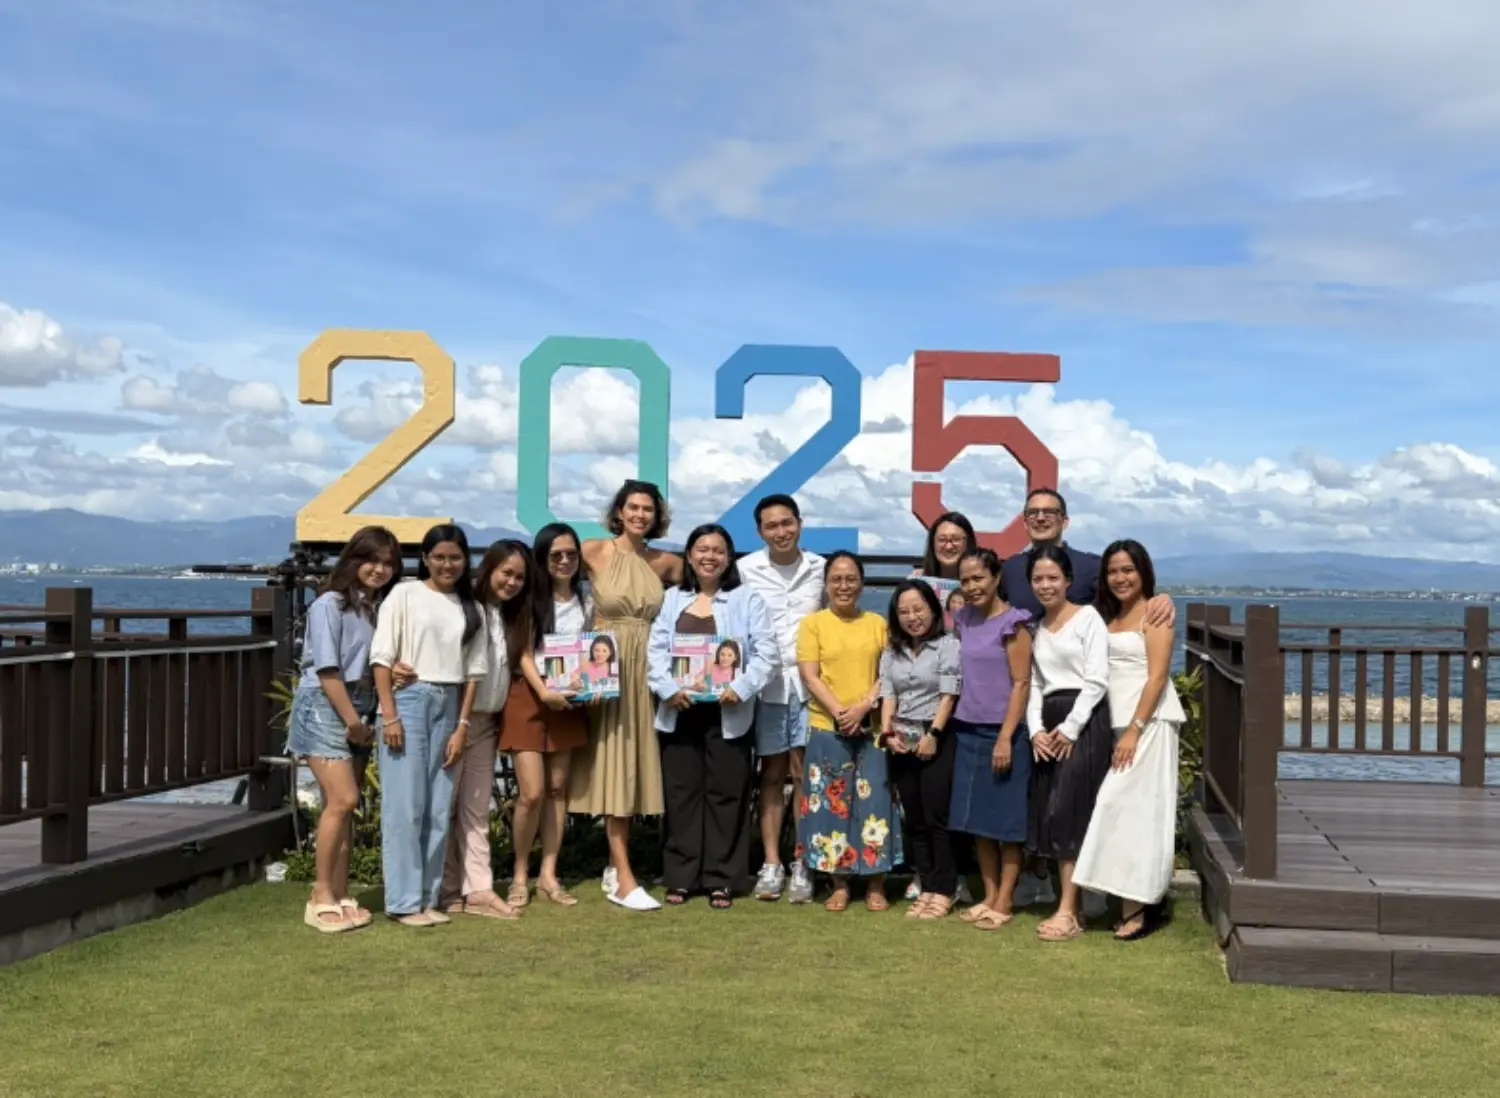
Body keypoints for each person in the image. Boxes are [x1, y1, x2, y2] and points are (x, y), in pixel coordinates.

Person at [647, 524, 775, 909]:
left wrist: (744, 686)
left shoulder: (746, 599)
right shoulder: (673, 599)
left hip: (730, 712)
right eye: (702, 549)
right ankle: (682, 877)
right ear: (689, 556)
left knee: (728, 796)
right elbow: (656, 652)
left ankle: (722, 878)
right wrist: (669, 689)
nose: (710, 557)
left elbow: (767, 652)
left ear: (729, 557)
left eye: (718, 550)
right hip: (681, 711)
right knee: (682, 795)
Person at [570, 479, 683, 911]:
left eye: (647, 509)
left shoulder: (666, 563)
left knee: (634, 766)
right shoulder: (592, 551)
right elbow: (551, 589)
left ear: (657, 516)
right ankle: (622, 874)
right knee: (611, 765)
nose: (640, 515)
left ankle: (616, 870)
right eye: (633, 507)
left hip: (648, 670)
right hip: (607, 666)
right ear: (619, 511)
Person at [370, 524, 488, 927]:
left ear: (464, 560)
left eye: (455, 557)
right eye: (438, 557)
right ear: (424, 558)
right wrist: (390, 715)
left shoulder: (472, 608)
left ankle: (427, 897)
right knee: (406, 806)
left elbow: (474, 673)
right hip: (409, 699)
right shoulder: (404, 594)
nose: (447, 564)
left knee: (439, 808)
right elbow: (382, 659)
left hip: (451, 702)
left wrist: (462, 725)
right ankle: (403, 902)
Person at [286, 525, 402, 933]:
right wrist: (353, 722)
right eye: (372, 560)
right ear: (353, 560)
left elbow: (374, 661)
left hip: (362, 704)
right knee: (344, 798)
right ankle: (320, 895)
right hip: (325, 703)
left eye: (388, 563)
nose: (379, 569)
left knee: (343, 806)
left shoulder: (374, 608)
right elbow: (327, 668)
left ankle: (339, 891)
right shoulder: (329, 605)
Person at [1074, 540, 1185, 941]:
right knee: (1119, 812)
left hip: (1148, 724)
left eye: (1128, 570)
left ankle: (1138, 905)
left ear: (1143, 573)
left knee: (1128, 810)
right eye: (1113, 571)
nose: (1120, 578)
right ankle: (1122, 900)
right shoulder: (1107, 614)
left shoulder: (1155, 614)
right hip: (1113, 723)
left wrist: (1136, 729)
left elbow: (1156, 676)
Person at [795, 551, 902, 912]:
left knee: (875, 804)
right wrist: (841, 712)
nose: (844, 585)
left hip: (872, 727)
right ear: (826, 584)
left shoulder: (878, 623)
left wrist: (864, 707)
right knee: (830, 806)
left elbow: (888, 672)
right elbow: (809, 674)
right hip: (828, 725)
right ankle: (837, 882)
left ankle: (875, 882)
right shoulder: (814, 624)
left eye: (850, 578)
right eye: (836, 579)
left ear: (862, 582)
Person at [737, 494, 825, 904]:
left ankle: (803, 863)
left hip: (811, 685)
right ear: (759, 532)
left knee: (803, 774)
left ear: (800, 524)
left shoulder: (820, 568)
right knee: (771, 775)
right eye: (771, 526)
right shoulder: (745, 570)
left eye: (787, 523)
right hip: (766, 685)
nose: (781, 532)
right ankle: (771, 863)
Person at [500, 522, 593, 908]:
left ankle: (549, 875)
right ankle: (520, 872)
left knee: (558, 790)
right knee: (531, 793)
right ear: (542, 558)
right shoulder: (528, 595)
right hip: (529, 696)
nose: (565, 560)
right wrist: (543, 691)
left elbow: (594, 649)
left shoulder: (588, 598)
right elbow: (521, 649)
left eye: (571, 554)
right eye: (556, 554)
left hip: (570, 701)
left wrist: (592, 687)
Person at [437, 539, 529, 920]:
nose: (511, 582)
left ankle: (478, 889)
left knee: (474, 809)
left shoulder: (509, 617)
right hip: (453, 720)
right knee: (443, 806)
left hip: (488, 723)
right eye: (506, 572)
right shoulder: (463, 610)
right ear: (488, 568)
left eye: (520, 577)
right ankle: (445, 887)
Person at [1025, 543, 1113, 942]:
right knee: (1051, 811)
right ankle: (1071, 907)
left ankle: (1067, 911)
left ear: (1068, 581)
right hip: (1048, 721)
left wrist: (1071, 729)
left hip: (1083, 721)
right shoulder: (1038, 627)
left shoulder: (1088, 618)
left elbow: (1096, 680)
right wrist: (1035, 731)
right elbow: (1035, 685)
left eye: (1052, 578)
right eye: (1038, 579)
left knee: (1069, 811)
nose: (1045, 585)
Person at [946, 548, 1034, 931]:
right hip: (966, 728)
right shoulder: (962, 618)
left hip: (1005, 733)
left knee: (1007, 823)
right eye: (964, 580)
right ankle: (988, 893)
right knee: (978, 822)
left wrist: (1005, 737)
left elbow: (1022, 683)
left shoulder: (1014, 623)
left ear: (997, 577)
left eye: (979, 578)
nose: (971, 587)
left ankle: (1005, 899)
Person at [877, 581, 962, 920]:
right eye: (904, 611)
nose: (912, 617)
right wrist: (886, 733)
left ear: (933, 610)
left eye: (918, 609)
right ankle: (927, 885)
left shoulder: (947, 645)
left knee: (935, 816)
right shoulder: (892, 651)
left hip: (935, 733)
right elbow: (888, 694)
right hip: (901, 735)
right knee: (913, 818)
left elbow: (949, 693)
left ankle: (946, 888)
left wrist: (935, 734)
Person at [1001, 487, 1176, 625]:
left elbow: (1129, 593)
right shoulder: (1009, 569)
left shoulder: (1091, 566)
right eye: (1033, 512)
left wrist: (1161, 599)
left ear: (1065, 521)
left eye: (1049, 512)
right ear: (1024, 522)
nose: (1040, 518)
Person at [915, 510, 977, 580]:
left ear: (969, 542)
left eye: (956, 539)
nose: (949, 547)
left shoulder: (984, 586)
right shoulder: (918, 582)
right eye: (942, 540)